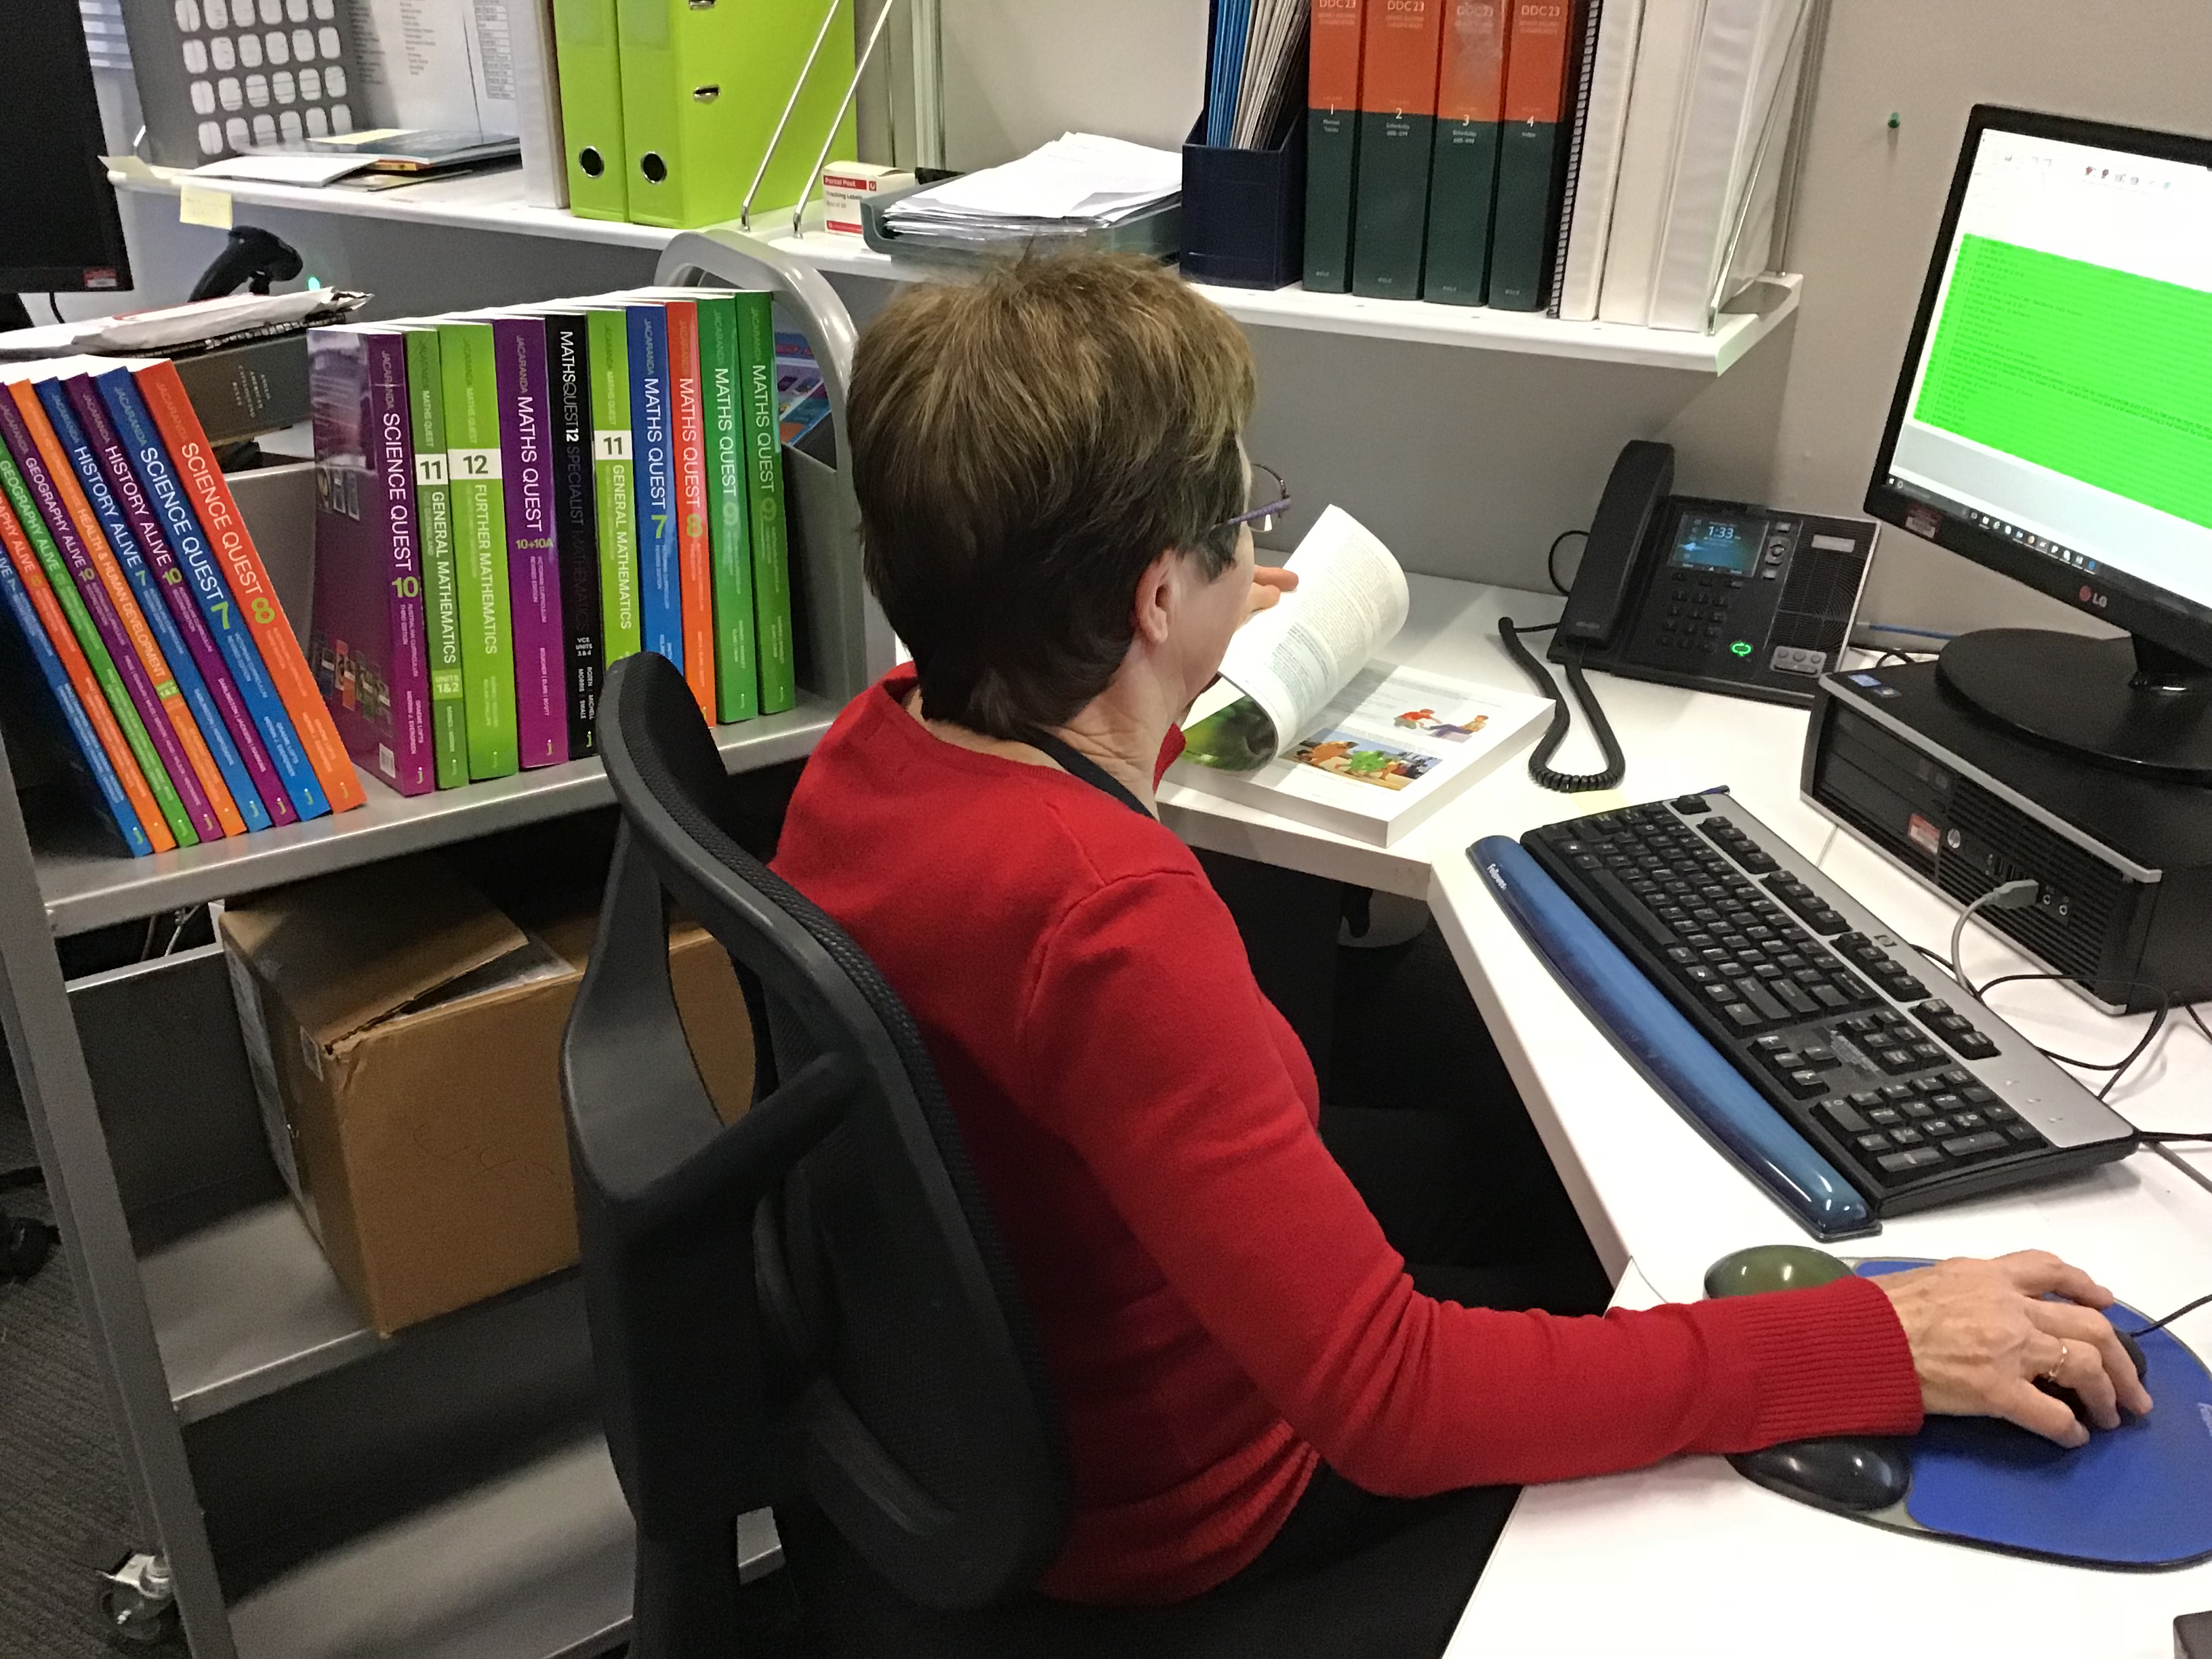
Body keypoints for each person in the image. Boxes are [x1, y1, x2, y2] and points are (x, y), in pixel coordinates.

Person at [768, 254, 2152, 1642]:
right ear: (1148, 599)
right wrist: (1876, 1345)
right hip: (1197, 1521)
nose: (1256, 549)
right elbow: (1397, 1403)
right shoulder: (1107, 919)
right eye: (1238, 523)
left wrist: (1170, 673)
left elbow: (1056, 805)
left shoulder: (871, 748)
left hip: (1013, 1413)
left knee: (1521, 1192)